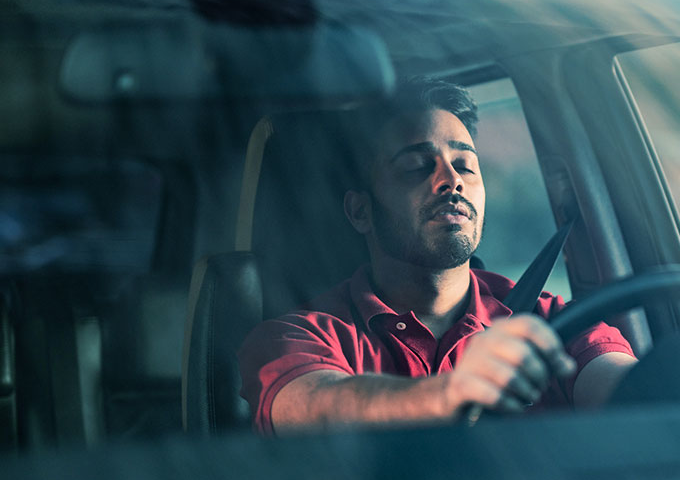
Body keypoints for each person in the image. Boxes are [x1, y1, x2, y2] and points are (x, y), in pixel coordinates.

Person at [238, 77, 638, 435]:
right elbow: (316, 406)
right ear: (361, 211)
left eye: (465, 164)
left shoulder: (551, 324)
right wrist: (451, 393)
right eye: (415, 166)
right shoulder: (296, 336)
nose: (452, 180)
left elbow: (630, 388)